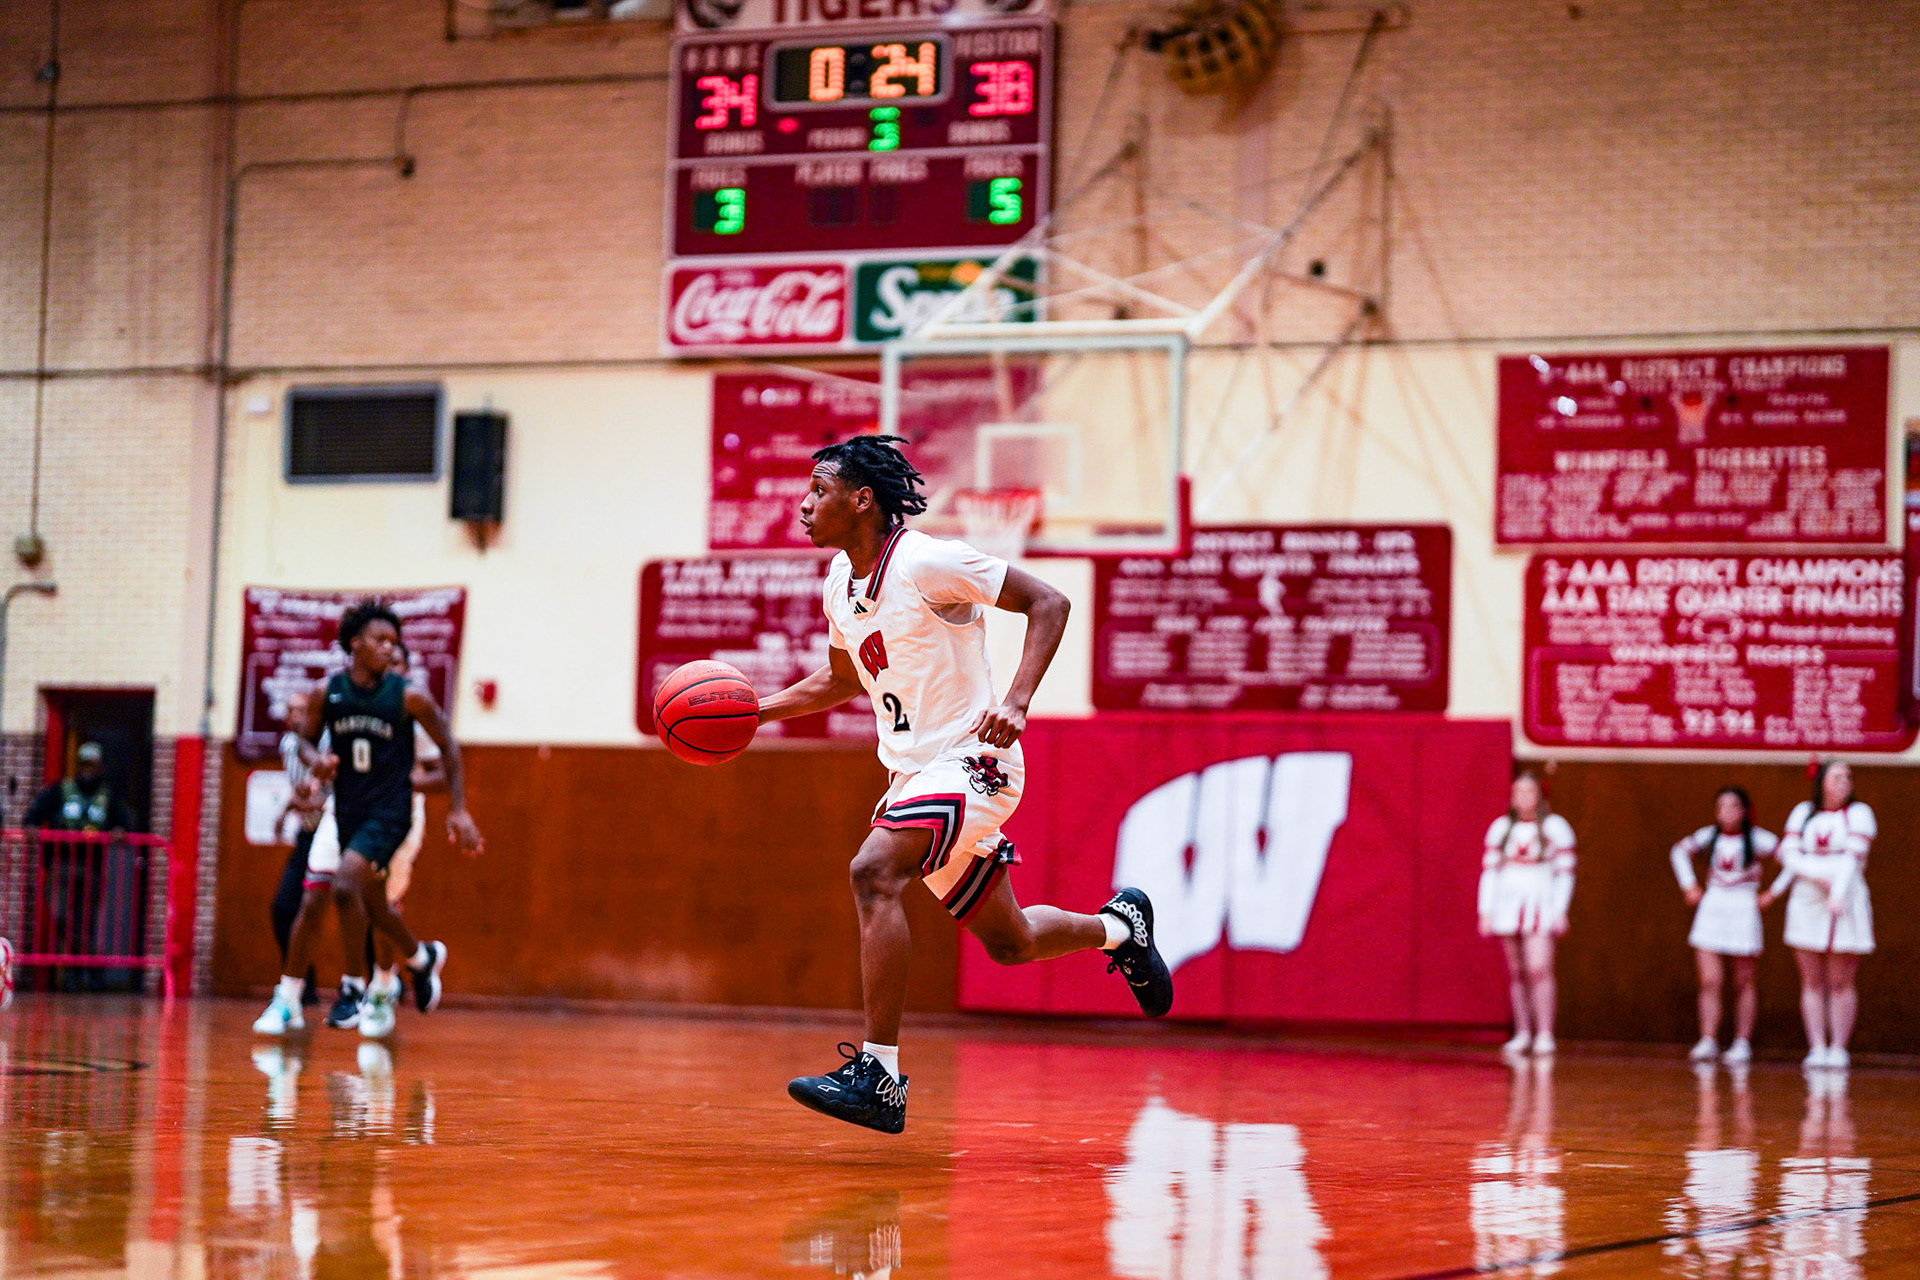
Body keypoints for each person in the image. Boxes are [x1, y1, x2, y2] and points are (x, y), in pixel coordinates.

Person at [757, 434, 1173, 1134]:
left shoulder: (927, 561)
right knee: (1011, 941)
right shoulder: (839, 583)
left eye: (819, 490)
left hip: (976, 761)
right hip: (913, 775)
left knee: (873, 870)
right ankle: (1118, 929)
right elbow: (841, 679)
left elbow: (1050, 602)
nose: (804, 504)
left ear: (862, 500)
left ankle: (879, 1077)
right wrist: (755, 711)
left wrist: (1016, 701)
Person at [253, 600, 484, 1036]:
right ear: (355, 643)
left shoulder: (409, 697)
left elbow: (449, 750)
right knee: (349, 900)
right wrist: (317, 762)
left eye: (395, 643)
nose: (389, 649)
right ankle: (417, 959)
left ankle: (358, 989)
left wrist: (457, 808)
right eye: (381, 640)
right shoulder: (329, 693)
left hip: (392, 813)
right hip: (345, 809)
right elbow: (303, 742)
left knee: (346, 886)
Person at [358, 641, 449, 1039]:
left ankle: (382, 986)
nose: (389, 667)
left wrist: (406, 782)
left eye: (397, 662)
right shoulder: (351, 708)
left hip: (400, 816)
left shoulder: (412, 713)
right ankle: (418, 958)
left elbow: (442, 772)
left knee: (380, 902)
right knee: (354, 896)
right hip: (355, 812)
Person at [1771, 761, 1874, 1070]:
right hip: (1806, 898)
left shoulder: (1860, 814)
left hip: (1846, 898)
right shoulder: (1803, 812)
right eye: (1837, 776)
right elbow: (1788, 855)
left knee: (1841, 979)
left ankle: (1838, 1048)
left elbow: (1852, 859)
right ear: (1822, 782)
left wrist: (1838, 892)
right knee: (1811, 979)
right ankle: (1816, 1047)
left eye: (1848, 776)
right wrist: (1816, 876)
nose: (1845, 781)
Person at [1669, 786, 1779, 1065]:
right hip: (1712, 909)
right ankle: (1708, 1039)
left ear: (1744, 811)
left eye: (1734, 806)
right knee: (1710, 980)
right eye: (1722, 807)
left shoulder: (1759, 839)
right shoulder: (1708, 836)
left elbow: (1792, 859)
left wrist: (1772, 893)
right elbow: (1678, 852)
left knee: (1744, 981)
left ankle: (1742, 1042)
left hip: (1744, 909)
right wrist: (1689, 885)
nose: (1727, 812)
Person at [1478, 772, 1574, 1057]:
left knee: (1539, 967)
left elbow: (1565, 873)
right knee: (1517, 971)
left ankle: (1545, 1032)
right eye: (1517, 792)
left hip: (1540, 903)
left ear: (1539, 796)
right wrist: (1486, 911)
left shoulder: (1555, 827)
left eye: (1529, 791)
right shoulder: (1501, 828)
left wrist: (1560, 909)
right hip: (1508, 904)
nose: (1523, 797)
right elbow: (1490, 873)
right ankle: (1523, 1032)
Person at [270, 691, 329, 1006]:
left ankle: (384, 981)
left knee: (359, 904)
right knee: (283, 908)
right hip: (308, 835)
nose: (296, 717)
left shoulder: (329, 742)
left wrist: (304, 803)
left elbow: (335, 795)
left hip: (337, 833)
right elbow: (301, 794)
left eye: (303, 711)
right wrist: (286, 811)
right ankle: (299, 983)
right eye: (291, 711)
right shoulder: (288, 745)